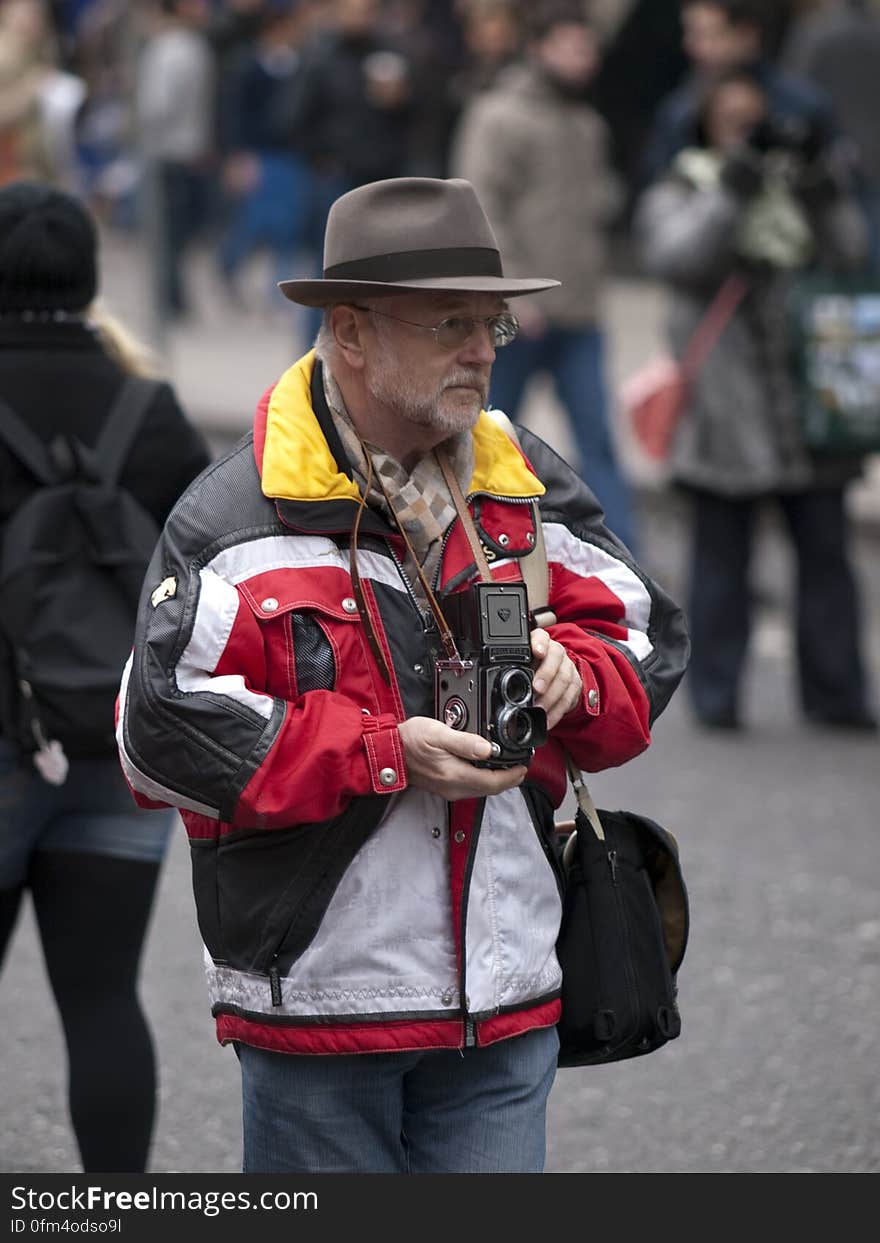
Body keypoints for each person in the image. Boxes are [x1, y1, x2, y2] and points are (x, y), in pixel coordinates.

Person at [116, 175, 690, 1174]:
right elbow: (158, 732)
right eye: (450, 324)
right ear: (351, 333)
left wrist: (576, 676)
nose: (481, 350)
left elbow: (643, 630)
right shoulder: (235, 513)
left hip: (505, 994)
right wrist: (386, 752)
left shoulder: (522, 474)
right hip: (324, 1004)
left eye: (493, 324)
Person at [0, 180, 212, 1172]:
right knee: (100, 999)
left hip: (6, 739)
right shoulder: (151, 407)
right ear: (89, 277)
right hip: (118, 742)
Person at [634, 68, 876, 731]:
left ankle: (838, 694)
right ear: (706, 122)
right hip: (725, 405)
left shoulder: (796, 189)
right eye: (732, 120)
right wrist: (733, 189)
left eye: (756, 119)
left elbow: (852, 253)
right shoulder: (682, 186)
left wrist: (826, 188)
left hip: (806, 405)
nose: (748, 132)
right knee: (720, 565)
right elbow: (680, 258)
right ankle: (715, 696)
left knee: (827, 558)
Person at [450, 3, 637, 553]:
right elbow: (479, 210)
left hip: (581, 312)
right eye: (572, 46)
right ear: (539, 48)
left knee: (599, 444)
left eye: (589, 47)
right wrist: (509, 293)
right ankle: (463, 548)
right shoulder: (498, 115)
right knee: (482, 436)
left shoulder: (588, 123)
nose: (585, 58)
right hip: (516, 317)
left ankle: (626, 563)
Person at [641, 0, 836, 186]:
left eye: (708, 35)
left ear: (747, 34)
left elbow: (844, 185)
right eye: (690, 34)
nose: (692, 47)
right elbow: (655, 196)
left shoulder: (802, 107)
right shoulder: (680, 113)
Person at [783, 0, 880, 271]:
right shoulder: (874, 31)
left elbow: (794, 91)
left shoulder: (813, 32)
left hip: (828, 155)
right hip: (872, 155)